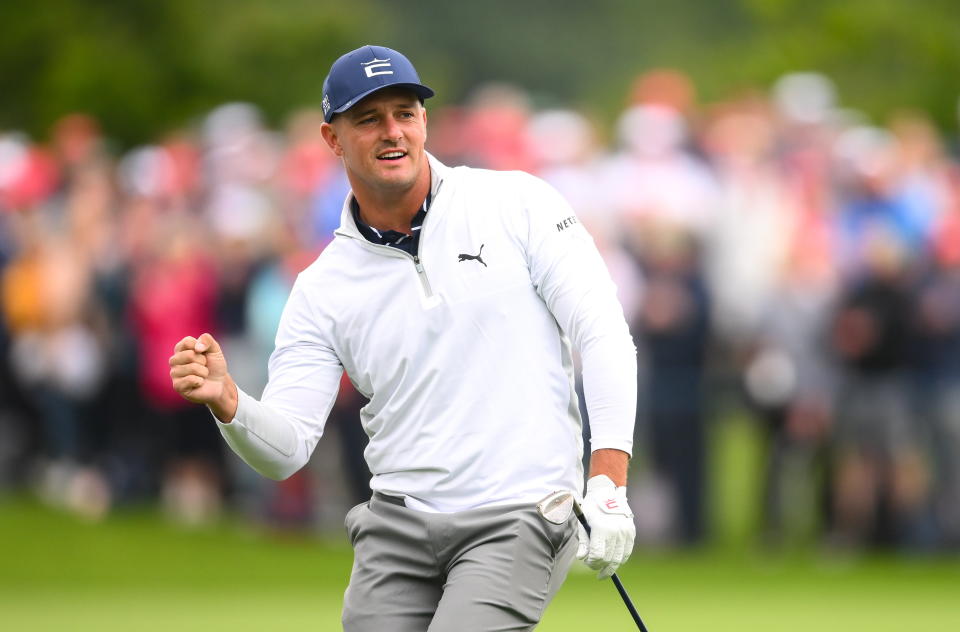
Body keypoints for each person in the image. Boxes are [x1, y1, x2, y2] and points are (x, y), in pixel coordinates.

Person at [169, 45, 637, 631]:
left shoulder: (518, 204)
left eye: (406, 113)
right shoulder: (322, 287)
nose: (393, 133)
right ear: (332, 139)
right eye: (368, 119)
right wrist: (229, 402)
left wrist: (609, 481)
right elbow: (287, 450)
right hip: (396, 525)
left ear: (424, 120)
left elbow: (603, 335)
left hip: (521, 514)